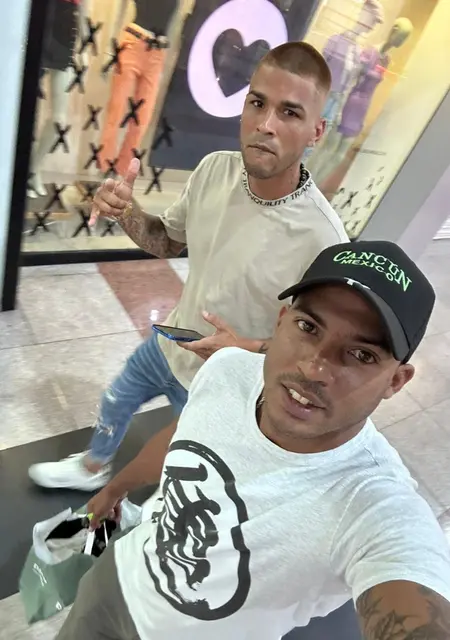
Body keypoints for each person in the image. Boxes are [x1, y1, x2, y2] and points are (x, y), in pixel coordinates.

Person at [55, 240, 450, 640]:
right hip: (116, 582)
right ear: (281, 322)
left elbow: (407, 578)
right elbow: (186, 437)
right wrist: (115, 490)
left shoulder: (375, 504)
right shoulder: (229, 369)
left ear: (396, 381)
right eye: (308, 328)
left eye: (362, 354)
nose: (313, 369)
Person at [29, 41, 349, 491]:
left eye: (289, 113)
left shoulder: (323, 238)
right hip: (170, 341)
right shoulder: (215, 170)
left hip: (225, 381)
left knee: (182, 470)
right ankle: (91, 468)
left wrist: (244, 349)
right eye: (257, 103)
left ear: (316, 132)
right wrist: (127, 212)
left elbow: (317, 349)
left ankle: (151, 513)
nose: (265, 125)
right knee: (116, 399)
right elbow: (166, 240)